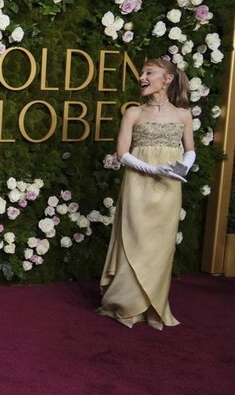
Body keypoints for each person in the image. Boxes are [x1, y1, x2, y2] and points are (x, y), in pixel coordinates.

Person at [98, 57, 195, 330]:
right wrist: (151, 169)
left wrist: (182, 168)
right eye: (142, 72)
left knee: (160, 246)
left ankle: (154, 305)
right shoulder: (134, 113)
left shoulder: (183, 115)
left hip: (169, 187)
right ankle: (125, 304)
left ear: (167, 79)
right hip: (137, 184)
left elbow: (190, 149)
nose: (141, 76)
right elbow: (122, 153)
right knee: (134, 239)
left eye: (149, 72)